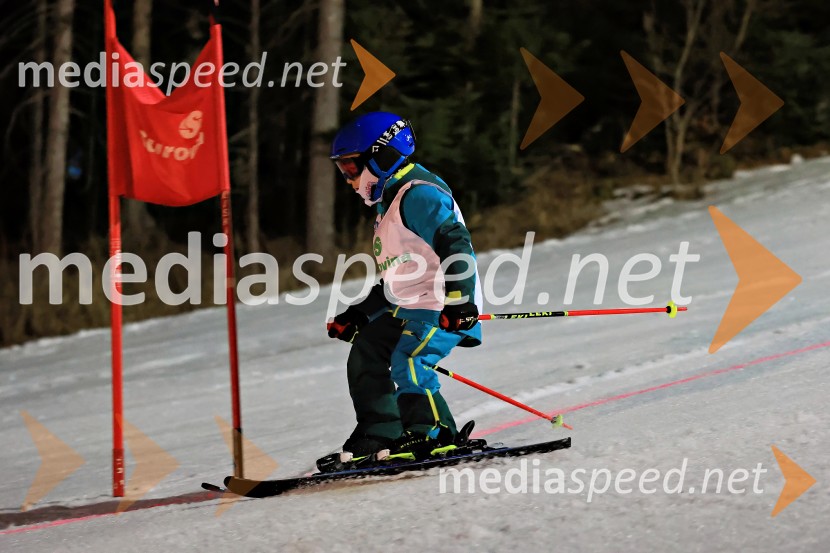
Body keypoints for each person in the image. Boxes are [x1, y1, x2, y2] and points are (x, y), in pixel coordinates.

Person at [324, 111, 483, 465]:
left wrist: (460, 301)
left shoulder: (418, 195)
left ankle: (436, 432)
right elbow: (397, 276)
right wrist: (360, 314)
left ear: (382, 156)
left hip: (442, 306)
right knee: (367, 349)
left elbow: (456, 244)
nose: (349, 179)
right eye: (343, 170)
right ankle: (382, 431)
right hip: (410, 305)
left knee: (409, 360)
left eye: (351, 167)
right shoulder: (389, 203)